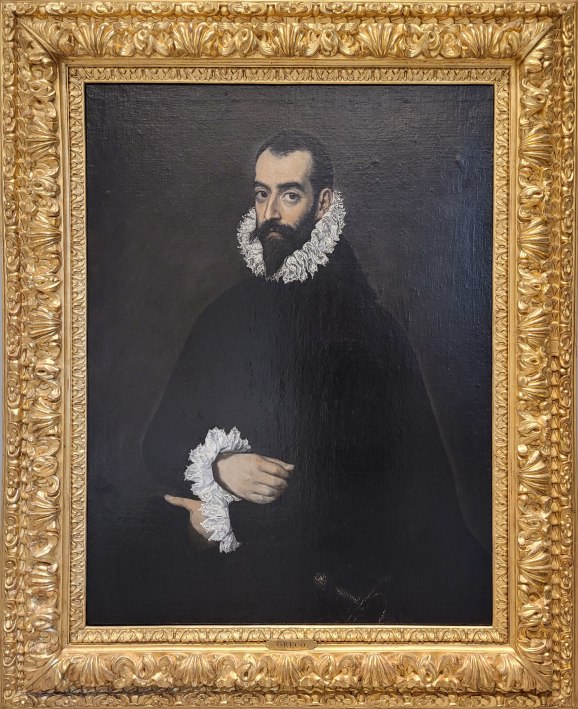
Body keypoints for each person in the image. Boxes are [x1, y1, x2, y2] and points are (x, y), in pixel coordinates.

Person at [141, 131, 491, 624]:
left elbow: (381, 501)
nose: (270, 213)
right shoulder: (225, 315)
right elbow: (159, 445)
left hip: (328, 598)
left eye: (290, 195)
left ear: (323, 204)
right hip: (237, 597)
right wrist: (220, 470)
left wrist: (230, 515)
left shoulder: (368, 330)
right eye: (262, 194)